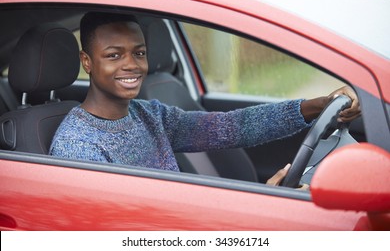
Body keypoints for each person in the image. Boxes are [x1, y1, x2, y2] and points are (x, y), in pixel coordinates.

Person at [49, 12, 360, 185]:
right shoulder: (78, 147)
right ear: (87, 62)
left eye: (139, 53)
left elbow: (230, 127)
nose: (131, 65)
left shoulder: (148, 115)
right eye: (114, 55)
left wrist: (315, 106)